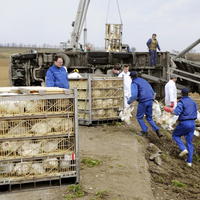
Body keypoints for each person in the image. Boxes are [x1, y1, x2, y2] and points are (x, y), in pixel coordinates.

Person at [164, 88, 198, 167]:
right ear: (188, 94)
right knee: (189, 142)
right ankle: (189, 162)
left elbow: (176, 112)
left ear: (181, 94)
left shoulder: (181, 102)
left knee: (175, 135)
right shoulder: (193, 102)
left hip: (184, 123)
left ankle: (183, 149)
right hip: (192, 124)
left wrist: (168, 109)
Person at [128, 71, 162, 137]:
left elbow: (134, 95)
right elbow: (152, 91)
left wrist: (128, 102)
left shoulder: (134, 83)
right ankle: (157, 130)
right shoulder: (143, 80)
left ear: (131, 77)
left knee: (139, 117)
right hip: (150, 100)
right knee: (149, 118)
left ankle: (145, 131)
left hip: (143, 101)